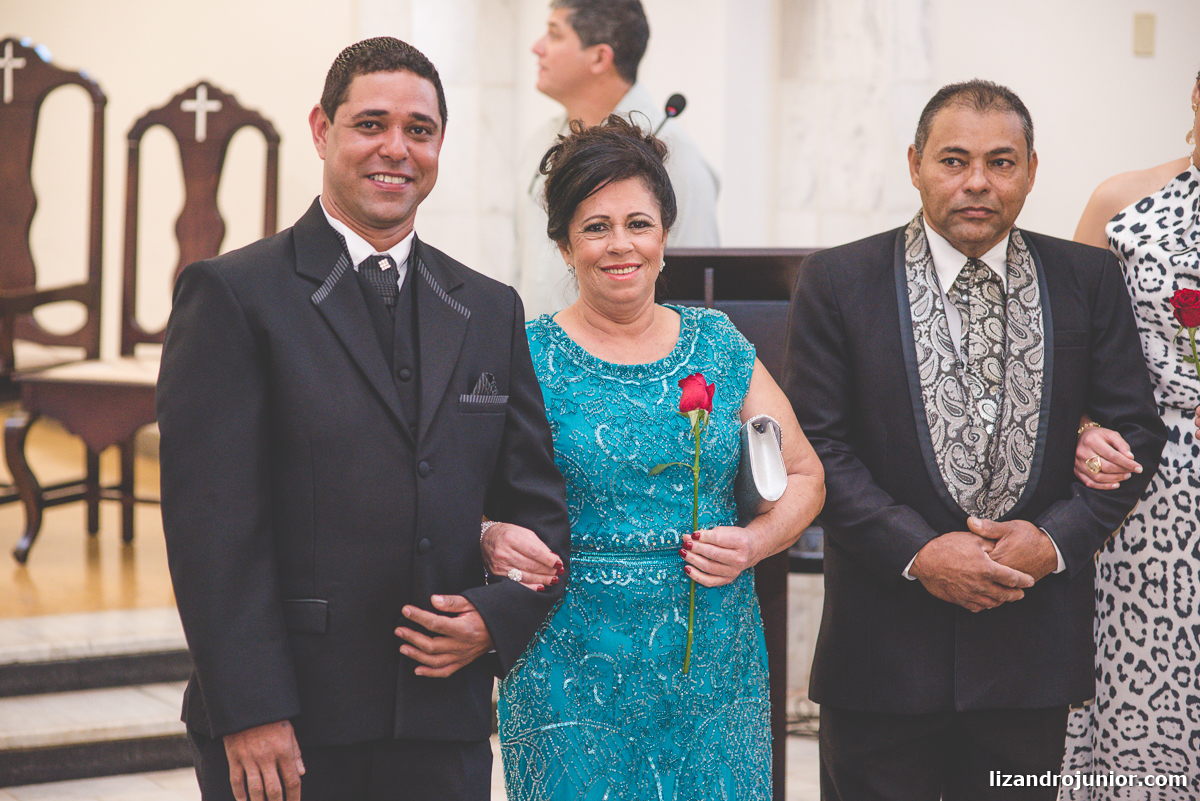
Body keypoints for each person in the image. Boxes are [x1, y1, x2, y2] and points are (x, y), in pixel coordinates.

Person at [156, 37, 571, 801]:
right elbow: (211, 528)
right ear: (321, 129)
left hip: (441, 722)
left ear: (440, 143)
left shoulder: (487, 308)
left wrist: (494, 617)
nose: (396, 149)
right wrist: (251, 709)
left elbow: (536, 508)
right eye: (370, 123)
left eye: (419, 130)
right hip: (291, 723)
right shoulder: (234, 295)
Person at [785, 79, 1167, 801]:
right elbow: (820, 447)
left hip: (1028, 653)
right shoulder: (839, 279)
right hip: (880, 656)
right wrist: (919, 551)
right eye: (953, 160)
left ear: (1030, 169)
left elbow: (1136, 432)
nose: (976, 184)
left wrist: (1052, 540)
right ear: (914, 163)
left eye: (1001, 162)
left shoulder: (1086, 278)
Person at [482, 114, 824, 800]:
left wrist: (753, 543)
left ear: (665, 236)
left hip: (712, 664)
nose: (620, 245)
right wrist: (490, 536)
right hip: (567, 663)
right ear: (563, 245)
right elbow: (470, 493)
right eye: (595, 226)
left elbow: (808, 476)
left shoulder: (718, 344)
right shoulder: (525, 352)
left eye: (638, 223)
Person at [1062, 69, 1200, 798]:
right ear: (1195, 95)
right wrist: (1086, 426)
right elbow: (1062, 341)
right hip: (1145, 487)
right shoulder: (1124, 200)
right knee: (1143, 678)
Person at [514, 0, 720, 320]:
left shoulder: (679, 159)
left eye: (554, 35)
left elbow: (693, 295)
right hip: (532, 355)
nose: (537, 48)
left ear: (599, 57)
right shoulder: (539, 142)